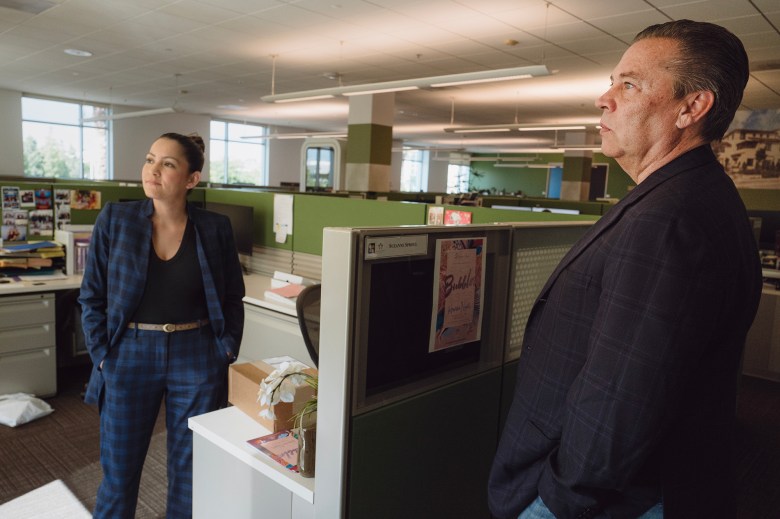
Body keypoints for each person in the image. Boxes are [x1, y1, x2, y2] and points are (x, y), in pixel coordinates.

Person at [488, 20, 762, 519]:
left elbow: (622, 399)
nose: (604, 98)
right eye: (612, 81)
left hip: (605, 500)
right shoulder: (682, 196)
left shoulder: (670, 219)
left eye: (629, 84)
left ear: (691, 107)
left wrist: (557, 500)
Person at [79, 132, 245, 518]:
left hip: (197, 352)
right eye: (150, 159)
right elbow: (91, 296)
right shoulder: (116, 220)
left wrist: (226, 349)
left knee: (189, 473)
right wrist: (103, 355)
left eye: (168, 164)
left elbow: (231, 297)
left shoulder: (215, 227)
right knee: (119, 473)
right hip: (129, 352)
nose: (153, 170)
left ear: (191, 179)